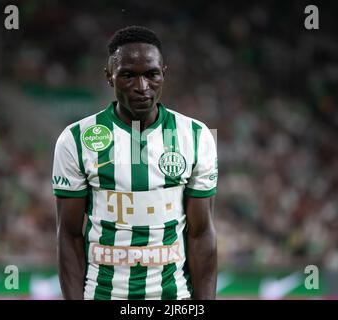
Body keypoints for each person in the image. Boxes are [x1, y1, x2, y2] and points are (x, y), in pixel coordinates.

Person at [53, 26, 218, 300]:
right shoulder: (75, 139)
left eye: (151, 74)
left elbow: (201, 234)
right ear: (109, 78)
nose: (142, 87)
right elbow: (68, 235)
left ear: (163, 73)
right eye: (128, 75)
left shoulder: (197, 136)